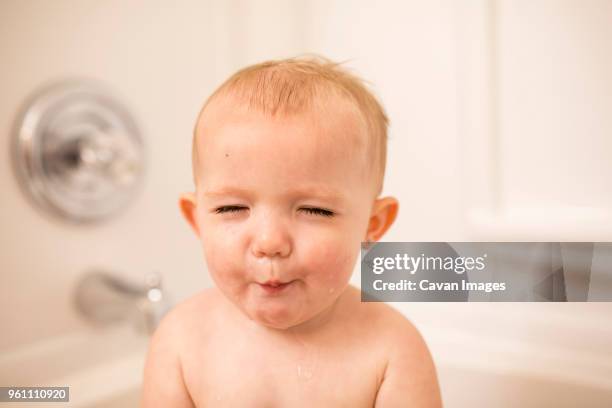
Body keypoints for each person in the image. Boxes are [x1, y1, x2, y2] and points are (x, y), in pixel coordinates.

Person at [141, 55, 442, 407]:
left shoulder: (392, 349)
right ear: (197, 221)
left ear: (372, 225)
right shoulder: (180, 342)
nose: (270, 243)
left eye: (314, 210)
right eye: (232, 208)